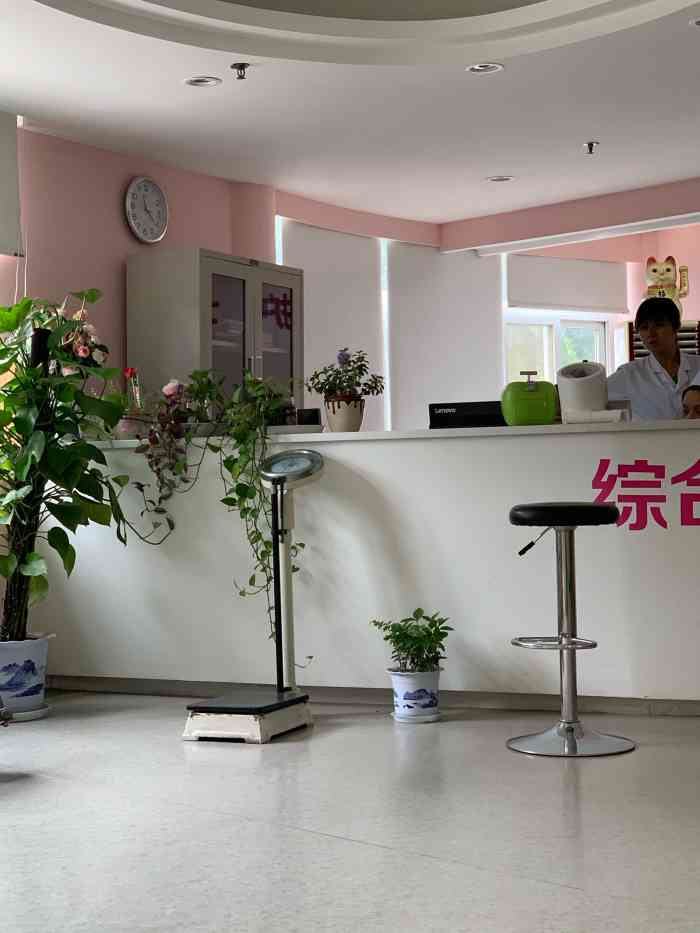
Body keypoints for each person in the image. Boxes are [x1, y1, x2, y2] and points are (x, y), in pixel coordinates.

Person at [607, 297, 700, 420]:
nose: (651, 333)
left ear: (676, 327)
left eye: (659, 325)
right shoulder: (629, 374)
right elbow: (591, 397)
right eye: (644, 327)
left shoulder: (697, 366)